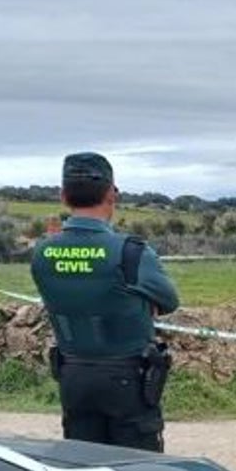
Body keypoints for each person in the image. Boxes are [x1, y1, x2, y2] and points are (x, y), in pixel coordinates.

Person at [31, 152, 179, 451]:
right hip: (127, 380)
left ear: (63, 196)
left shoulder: (42, 253)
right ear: (111, 194)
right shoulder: (132, 252)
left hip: (72, 378)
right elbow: (169, 301)